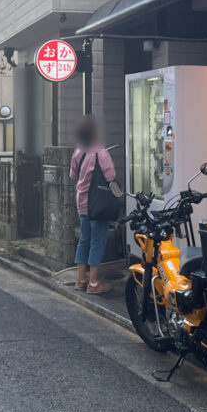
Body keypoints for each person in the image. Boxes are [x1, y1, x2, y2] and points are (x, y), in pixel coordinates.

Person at [69, 117, 116, 294]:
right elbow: (110, 177)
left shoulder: (78, 152)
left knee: (84, 240)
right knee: (97, 241)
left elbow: (73, 175)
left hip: (82, 203)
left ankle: (80, 280)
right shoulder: (101, 152)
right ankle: (94, 283)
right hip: (98, 204)